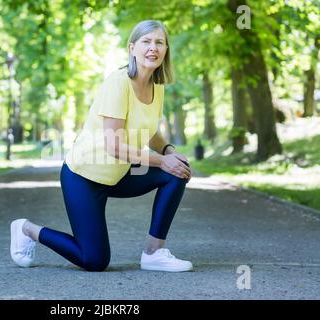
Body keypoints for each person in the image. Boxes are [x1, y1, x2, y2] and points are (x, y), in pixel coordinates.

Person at [10, 20, 193, 272]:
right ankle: (26, 229)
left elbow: (150, 131)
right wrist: (162, 161)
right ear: (132, 48)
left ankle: (154, 253)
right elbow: (114, 146)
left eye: (159, 42)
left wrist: (169, 152)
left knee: (178, 171)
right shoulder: (118, 82)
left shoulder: (156, 87)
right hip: (84, 176)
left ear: (166, 50)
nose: (153, 48)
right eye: (146, 42)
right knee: (94, 261)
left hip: (118, 174)